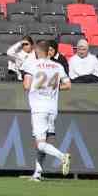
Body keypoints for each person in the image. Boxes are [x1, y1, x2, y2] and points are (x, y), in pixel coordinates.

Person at [20, 38, 72, 180]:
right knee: (44, 141)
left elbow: (26, 86)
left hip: (38, 108)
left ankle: (62, 156)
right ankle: (37, 174)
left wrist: (34, 84)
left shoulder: (32, 64)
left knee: (40, 143)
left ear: (37, 51)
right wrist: (53, 87)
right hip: (52, 108)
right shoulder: (58, 66)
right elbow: (68, 85)